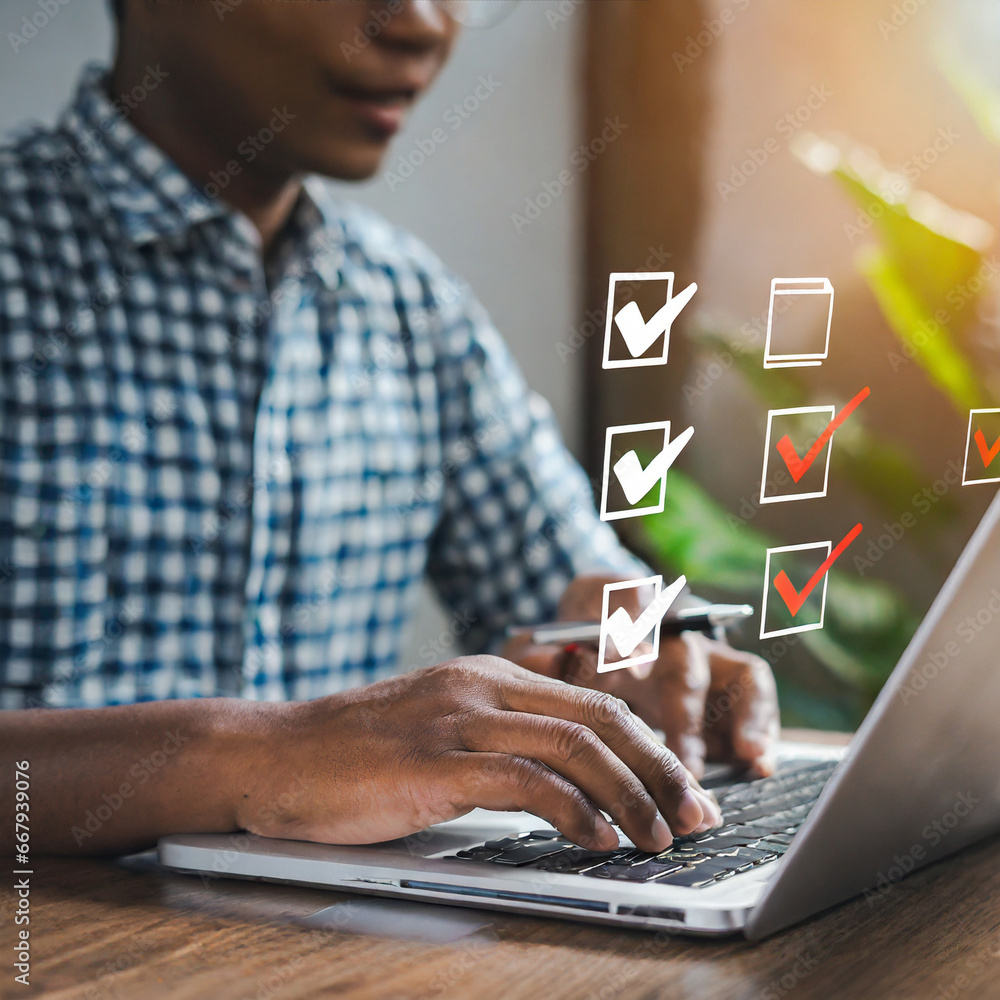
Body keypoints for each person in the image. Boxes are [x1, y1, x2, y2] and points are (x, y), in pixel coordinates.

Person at [0, 0, 777, 859]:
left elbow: (579, 600)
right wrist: (264, 757)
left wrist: (652, 662)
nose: (422, 23)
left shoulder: (410, 308)